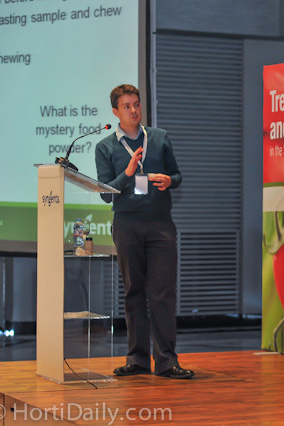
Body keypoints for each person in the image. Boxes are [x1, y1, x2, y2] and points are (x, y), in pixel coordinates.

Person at [95, 84, 194, 379]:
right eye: (127, 106)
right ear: (115, 112)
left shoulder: (159, 137)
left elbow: (177, 175)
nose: (134, 110)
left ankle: (166, 361)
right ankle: (137, 359)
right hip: (127, 225)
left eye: (137, 104)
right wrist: (128, 173)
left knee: (163, 294)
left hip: (160, 224)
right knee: (133, 292)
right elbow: (105, 193)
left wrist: (170, 180)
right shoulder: (105, 147)